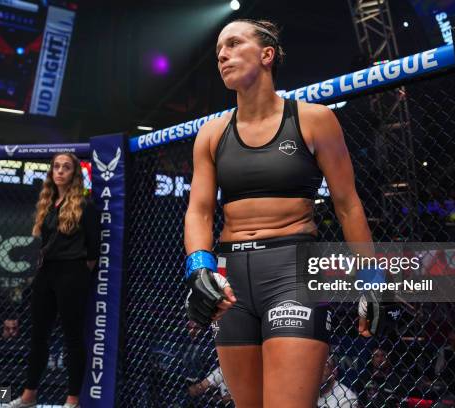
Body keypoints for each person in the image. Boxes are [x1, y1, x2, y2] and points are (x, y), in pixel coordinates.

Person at [183, 19, 374, 407]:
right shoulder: (211, 134)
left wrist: (372, 280)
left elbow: (348, 203)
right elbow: (199, 211)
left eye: (234, 44)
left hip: (295, 269)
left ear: (267, 55)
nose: (222, 54)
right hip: (232, 277)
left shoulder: (313, 119)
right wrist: (199, 268)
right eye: (220, 49)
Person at [4, 153, 99, 408]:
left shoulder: (85, 204)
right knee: (38, 335)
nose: (60, 171)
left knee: (72, 337)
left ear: (74, 173)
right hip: (47, 273)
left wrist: (76, 273)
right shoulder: (48, 202)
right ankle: (29, 396)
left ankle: (72, 400)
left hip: (73, 273)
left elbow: (93, 250)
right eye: (56, 167)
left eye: (66, 167)